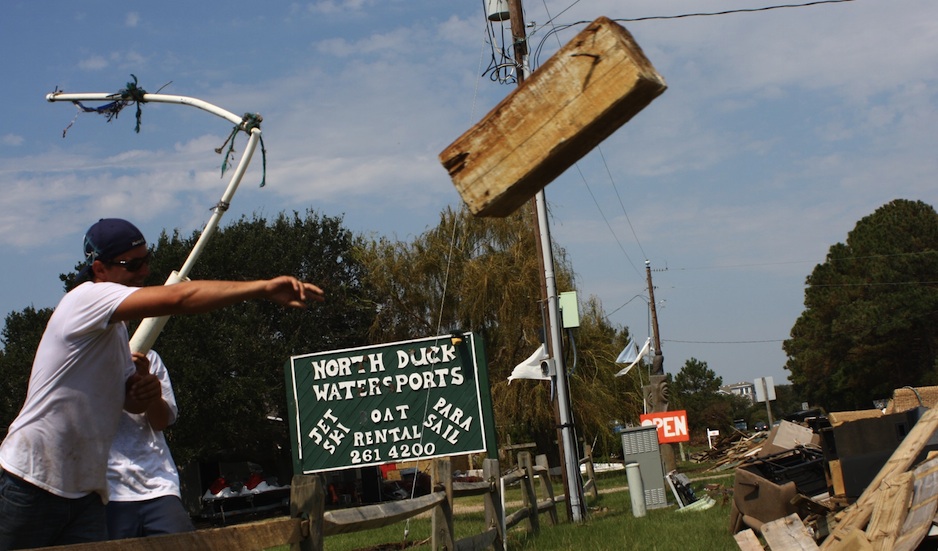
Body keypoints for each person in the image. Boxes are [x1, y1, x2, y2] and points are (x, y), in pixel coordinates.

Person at [0, 218, 324, 549]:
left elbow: (134, 406)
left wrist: (145, 392)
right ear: (99, 268)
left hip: (85, 492)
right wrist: (262, 288)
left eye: (147, 259)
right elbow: (179, 298)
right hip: (33, 478)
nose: (143, 271)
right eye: (132, 264)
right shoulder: (86, 299)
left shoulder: (115, 333)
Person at [106, 349, 194, 539]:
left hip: (158, 484)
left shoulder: (147, 356)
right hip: (109, 491)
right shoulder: (86, 355)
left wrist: (149, 385)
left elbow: (161, 422)